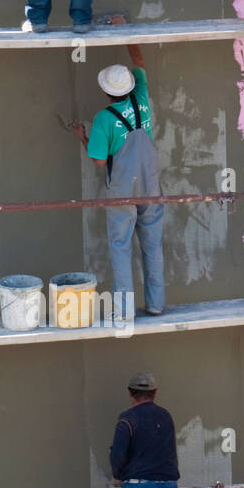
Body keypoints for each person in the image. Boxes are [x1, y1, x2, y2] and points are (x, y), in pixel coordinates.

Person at [73, 43, 165, 317]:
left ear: (106, 91)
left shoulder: (103, 119)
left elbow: (99, 161)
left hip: (123, 189)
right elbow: (138, 58)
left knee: (121, 247)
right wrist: (125, 30)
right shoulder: (142, 98)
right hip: (150, 185)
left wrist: (82, 137)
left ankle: (124, 311)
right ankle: (156, 304)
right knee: (152, 245)